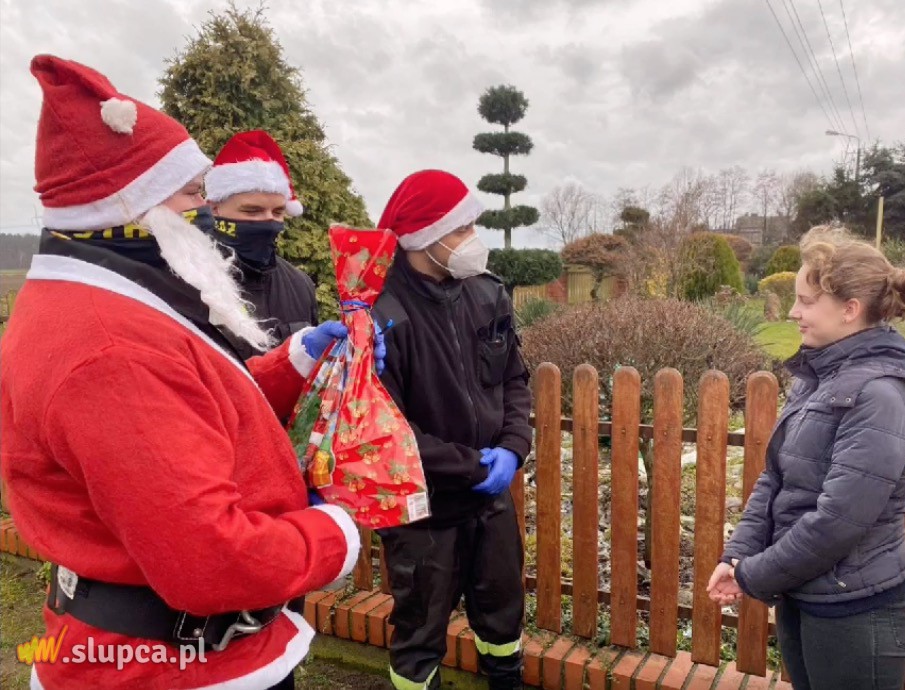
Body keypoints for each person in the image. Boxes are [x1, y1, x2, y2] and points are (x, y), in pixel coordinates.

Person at [0, 55, 378, 690]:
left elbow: (189, 414)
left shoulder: (109, 303)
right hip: (175, 669)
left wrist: (297, 358)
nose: (205, 211)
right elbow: (209, 560)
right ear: (131, 206)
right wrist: (335, 535)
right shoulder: (112, 352)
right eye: (191, 194)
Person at [708, 227, 905, 690]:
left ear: (849, 309)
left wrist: (752, 575)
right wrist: (739, 554)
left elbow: (838, 522)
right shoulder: (820, 378)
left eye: (805, 300)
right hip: (804, 596)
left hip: (856, 611)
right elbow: (775, 480)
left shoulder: (879, 395)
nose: (793, 312)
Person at [373, 170, 532, 690]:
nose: (472, 242)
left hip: (491, 501)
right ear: (424, 236)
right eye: (461, 229)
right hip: (425, 512)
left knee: (503, 619)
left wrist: (511, 449)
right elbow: (387, 429)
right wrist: (470, 467)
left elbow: (513, 379)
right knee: (419, 634)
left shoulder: (487, 295)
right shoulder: (381, 316)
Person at [203, 129, 318, 359]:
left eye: (278, 212)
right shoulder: (189, 280)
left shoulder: (300, 285)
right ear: (214, 208)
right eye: (252, 211)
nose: (268, 221)